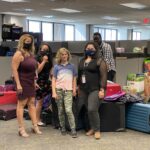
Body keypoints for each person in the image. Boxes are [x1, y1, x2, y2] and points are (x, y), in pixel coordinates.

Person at [12, 34, 42, 138]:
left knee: (32, 104)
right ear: (22, 42)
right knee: (21, 104)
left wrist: (34, 82)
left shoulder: (31, 54)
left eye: (30, 41)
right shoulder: (18, 54)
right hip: (22, 81)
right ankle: (21, 129)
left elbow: (34, 71)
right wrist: (18, 84)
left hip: (30, 81)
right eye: (26, 41)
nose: (28, 43)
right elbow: (14, 70)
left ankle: (34, 126)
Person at [77, 41, 107, 139]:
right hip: (83, 89)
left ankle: (97, 130)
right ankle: (92, 128)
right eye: (88, 48)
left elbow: (103, 76)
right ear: (85, 50)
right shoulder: (82, 60)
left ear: (96, 50)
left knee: (92, 109)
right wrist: (78, 87)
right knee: (88, 110)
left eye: (92, 48)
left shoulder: (100, 61)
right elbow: (79, 74)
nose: (89, 50)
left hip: (95, 89)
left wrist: (102, 89)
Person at [52, 47, 77, 138]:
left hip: (69, 91)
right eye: (62, 54)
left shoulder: (72, 66)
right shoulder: (56, 67)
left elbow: (74, 79)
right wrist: (54, 92)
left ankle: (73, 128)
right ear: (59, 56)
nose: (64, 56)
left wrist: (74, 90)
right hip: (58, 90)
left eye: (65, 54)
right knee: (61, 110)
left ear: (68, 55)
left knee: (68, 110)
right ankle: (62, 127)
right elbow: (53, 80)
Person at [35, 43, 53, 126]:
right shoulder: (37, 59)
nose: (45, 51)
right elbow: (37, 71)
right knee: (40, 101)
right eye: (43, 49)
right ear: (40, 50)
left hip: (46, 81)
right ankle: (36, 120)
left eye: (47, 50)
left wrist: (53, 80)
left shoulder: (50, 59)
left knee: (56, 92)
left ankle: (49, 108)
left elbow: (50, 72)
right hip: (39, 82)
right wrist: (44, 61)